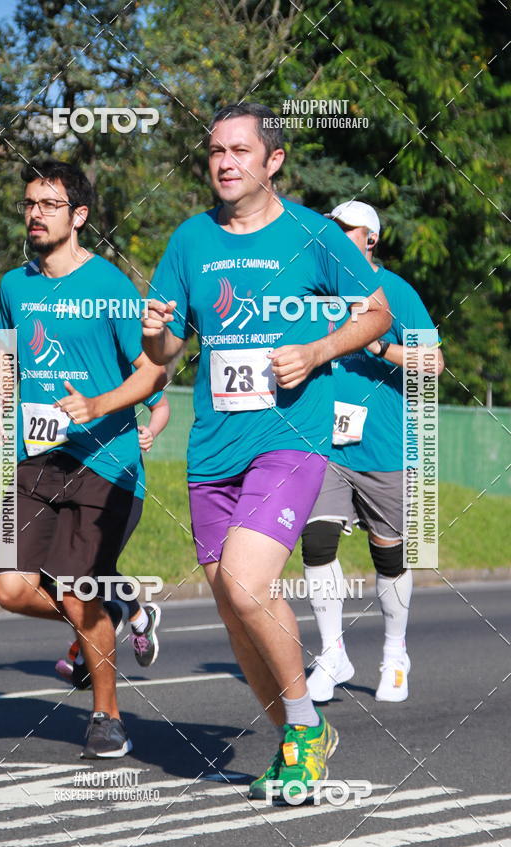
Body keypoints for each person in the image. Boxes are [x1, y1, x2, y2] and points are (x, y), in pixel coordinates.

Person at [142, 104, 391, 801]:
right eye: (216, 151)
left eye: (240, 150)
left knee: (251, 583)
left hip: (290, 438)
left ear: (272, 160)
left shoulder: (315, 236)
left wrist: (315, 350)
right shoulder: (190, 241)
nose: (225, 162)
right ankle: (292, 735)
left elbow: (375, 312)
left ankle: (307, 729)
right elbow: (163, 353)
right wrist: (158, 332)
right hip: (213, 446)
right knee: (231, 602)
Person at [0, 158, 165, 758]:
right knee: (11, 587)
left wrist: (97, 403)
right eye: (30, 204)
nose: (36, 214)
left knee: (73, 590)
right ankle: (118, 603)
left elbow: (152, 372)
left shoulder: (110, 286)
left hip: (105, 463)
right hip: (34, 460)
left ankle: (107, 715)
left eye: (50, 204)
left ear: (80, 216)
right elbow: (6, 358)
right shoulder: (16, 285)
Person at [303, 200, 444, 703]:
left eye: (348, 230)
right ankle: (332, 652)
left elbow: (434, 363)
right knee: (316, 544)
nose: (338, 236)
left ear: (371, 239)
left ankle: (394, 653)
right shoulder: (318, 291)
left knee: (389, 560)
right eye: (332, 229)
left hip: (385, 448)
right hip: (326, 446)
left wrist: (379, 347)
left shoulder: (398, 294)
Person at [55, 390, 170, 684]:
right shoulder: (64, 370)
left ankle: (138, 620)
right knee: (67, 571)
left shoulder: (123, 363)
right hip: (75, 485)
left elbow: (161, 406)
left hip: (123, 487)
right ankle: (105, 622)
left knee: (95, 567)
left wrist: (151, 431)